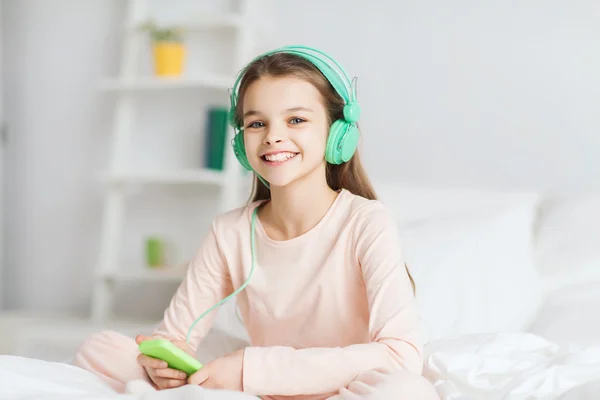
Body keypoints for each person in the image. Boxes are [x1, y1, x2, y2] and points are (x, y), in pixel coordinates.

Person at [73, 45, 440, 400]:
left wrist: (252, 369)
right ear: (241, 143)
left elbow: (401, 355)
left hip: (344, 389)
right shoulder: (229, 231)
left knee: (408, 392)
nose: (273, 136)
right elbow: (175, 336)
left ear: (337, 133)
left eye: (296, 119)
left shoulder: (366, 221)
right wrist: (164, 365)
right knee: (102, 348)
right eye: (256, 123)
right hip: (260, 389)